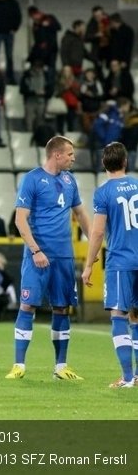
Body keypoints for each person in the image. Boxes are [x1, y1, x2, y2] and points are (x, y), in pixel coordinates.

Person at [6, 136, 91, 381]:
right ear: (56, 154)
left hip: (64, 256)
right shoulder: (32, 179)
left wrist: (95, 246)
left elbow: (82, 215)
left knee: (62, 308)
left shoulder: (70, 180)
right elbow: (20, 220)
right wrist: (35, 250)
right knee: (27, 305)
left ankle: (61, 366)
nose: (73, 158)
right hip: (37, 256)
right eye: (70, 154)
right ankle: (19, 365)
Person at [81, 142, 138, 388]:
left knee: (119, 315)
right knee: (136, 317)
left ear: (104, 163)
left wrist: (89, 263)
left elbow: (97, 232)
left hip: (120, 261)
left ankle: (127, 377)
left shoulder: (103, 193)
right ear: (125, 162)